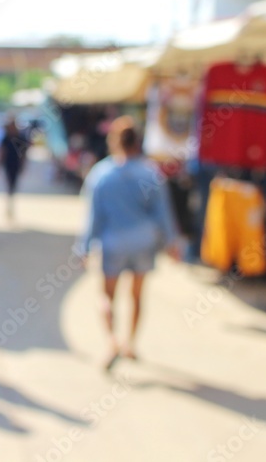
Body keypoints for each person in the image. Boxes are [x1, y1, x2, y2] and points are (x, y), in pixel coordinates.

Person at [75, 119, 183, 370]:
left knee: (106, 297)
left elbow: (93, 216)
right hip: (143, 243)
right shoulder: (150, 173)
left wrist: (84, 247)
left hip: (113, 244)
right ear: (138, 141)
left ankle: (112, 341)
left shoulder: (101, 174)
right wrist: (172, 243)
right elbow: (163, 214)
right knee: (136, 296)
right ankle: (130, 344)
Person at [0, 119, 29, 220]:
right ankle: (9, 205)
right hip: (8, 164)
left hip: (15, 165)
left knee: (13, 185)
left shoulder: (19, 137)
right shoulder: (6, 138)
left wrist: (23, 165)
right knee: (9, 184)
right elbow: (2, 151)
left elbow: (23, 153)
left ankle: (10, 205)